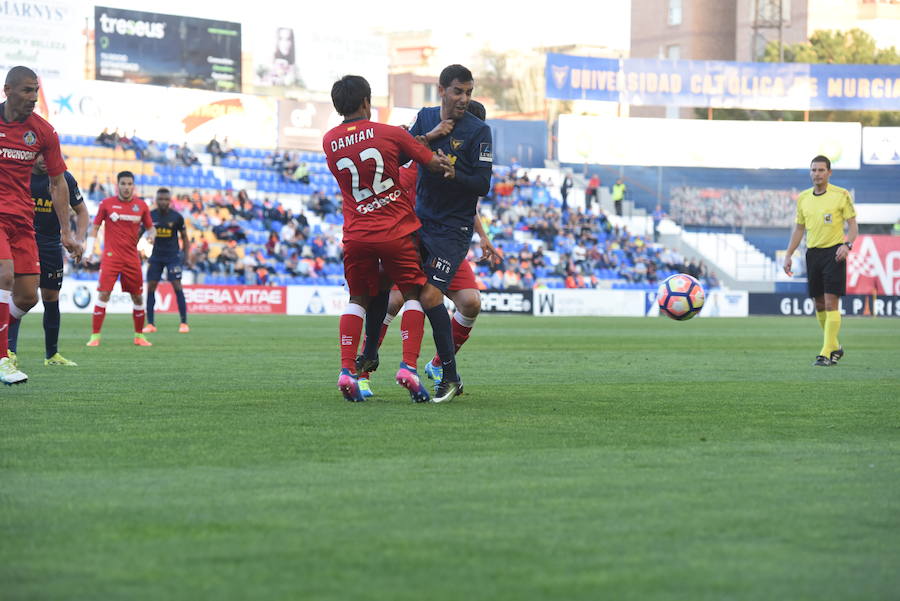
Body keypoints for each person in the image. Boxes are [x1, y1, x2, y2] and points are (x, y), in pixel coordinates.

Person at [364, 64, 491, 403]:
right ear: (442, 90)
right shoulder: (425, 117)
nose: (463, 98)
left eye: (468, 92)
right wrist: (430, 136)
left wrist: (454, 175)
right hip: (419, 224)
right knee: (389, 292)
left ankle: (444, 372)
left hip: (452, 230)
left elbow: (482, 185)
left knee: (435, 297)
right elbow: (404, 154)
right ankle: (366, 363)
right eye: (458, 91)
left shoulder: (480, 132)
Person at [323, 74, 450, 403]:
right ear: (367, 101)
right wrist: (445, 164)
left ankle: (347, 370)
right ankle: (408, 366)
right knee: (412, 293)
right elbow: (428, 162)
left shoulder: (329, 140)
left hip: (357, 234)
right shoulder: (390, 133)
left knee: (358, 300)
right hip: (396, 231)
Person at [0, 66, 81, 385]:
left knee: (27, 297)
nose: (34, 97)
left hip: (23, 220)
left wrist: (66, 232)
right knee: (4, 276)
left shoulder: (44, 132)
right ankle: (3, 358)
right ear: (7, 90)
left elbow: (58, 183)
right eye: (27, 90)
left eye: (36, 90)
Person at [6, 155, 88, 367]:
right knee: (20, 294)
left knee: (51, 297)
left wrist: (79, 238)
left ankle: (51, 355)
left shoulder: (64, 179)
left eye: (47, 153)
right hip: (22, 242)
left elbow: (82, 211)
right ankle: (9, 352)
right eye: (39, 154)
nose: (44, 159)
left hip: (51, 245)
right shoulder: (19, 176)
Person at [783, 155, 858, 367]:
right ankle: (835, 346)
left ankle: (825, 353)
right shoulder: (803, 198)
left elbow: (853, 227)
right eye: (814, 170)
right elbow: (799, 229)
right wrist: (789, 254)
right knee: (819, 304)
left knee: (831, 302)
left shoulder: (841, 195)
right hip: (812, 254)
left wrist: (847, 245)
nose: (817, 174)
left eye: (821, 170)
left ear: (829, 173)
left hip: (834, 253)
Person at [83, 170, 156, 347]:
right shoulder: (107, 204)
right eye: (123, 184)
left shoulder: (141, 206)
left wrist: (150, 238)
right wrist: (89, 250)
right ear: (118, 185)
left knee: (137, 297)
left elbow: (151, 228)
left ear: (134, 186)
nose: (126, 187)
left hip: (132, 258)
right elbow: (94, 227)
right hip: (111, 257)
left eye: (129, 184)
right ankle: (95, 336)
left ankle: (139, 336)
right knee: (104, 294)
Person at [143, 188, 191, 334]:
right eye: (160, 199)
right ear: (156, 201)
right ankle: (150, 324)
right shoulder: (150, 216)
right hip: (156, 256)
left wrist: (186, 257)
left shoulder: (177, 217)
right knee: (151, 287)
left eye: (166, 199)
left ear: (170, 201)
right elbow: (139, 233)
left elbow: (185, 238)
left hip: (172, 257)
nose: (163, 202)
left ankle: (183, 323)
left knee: (177, 286)